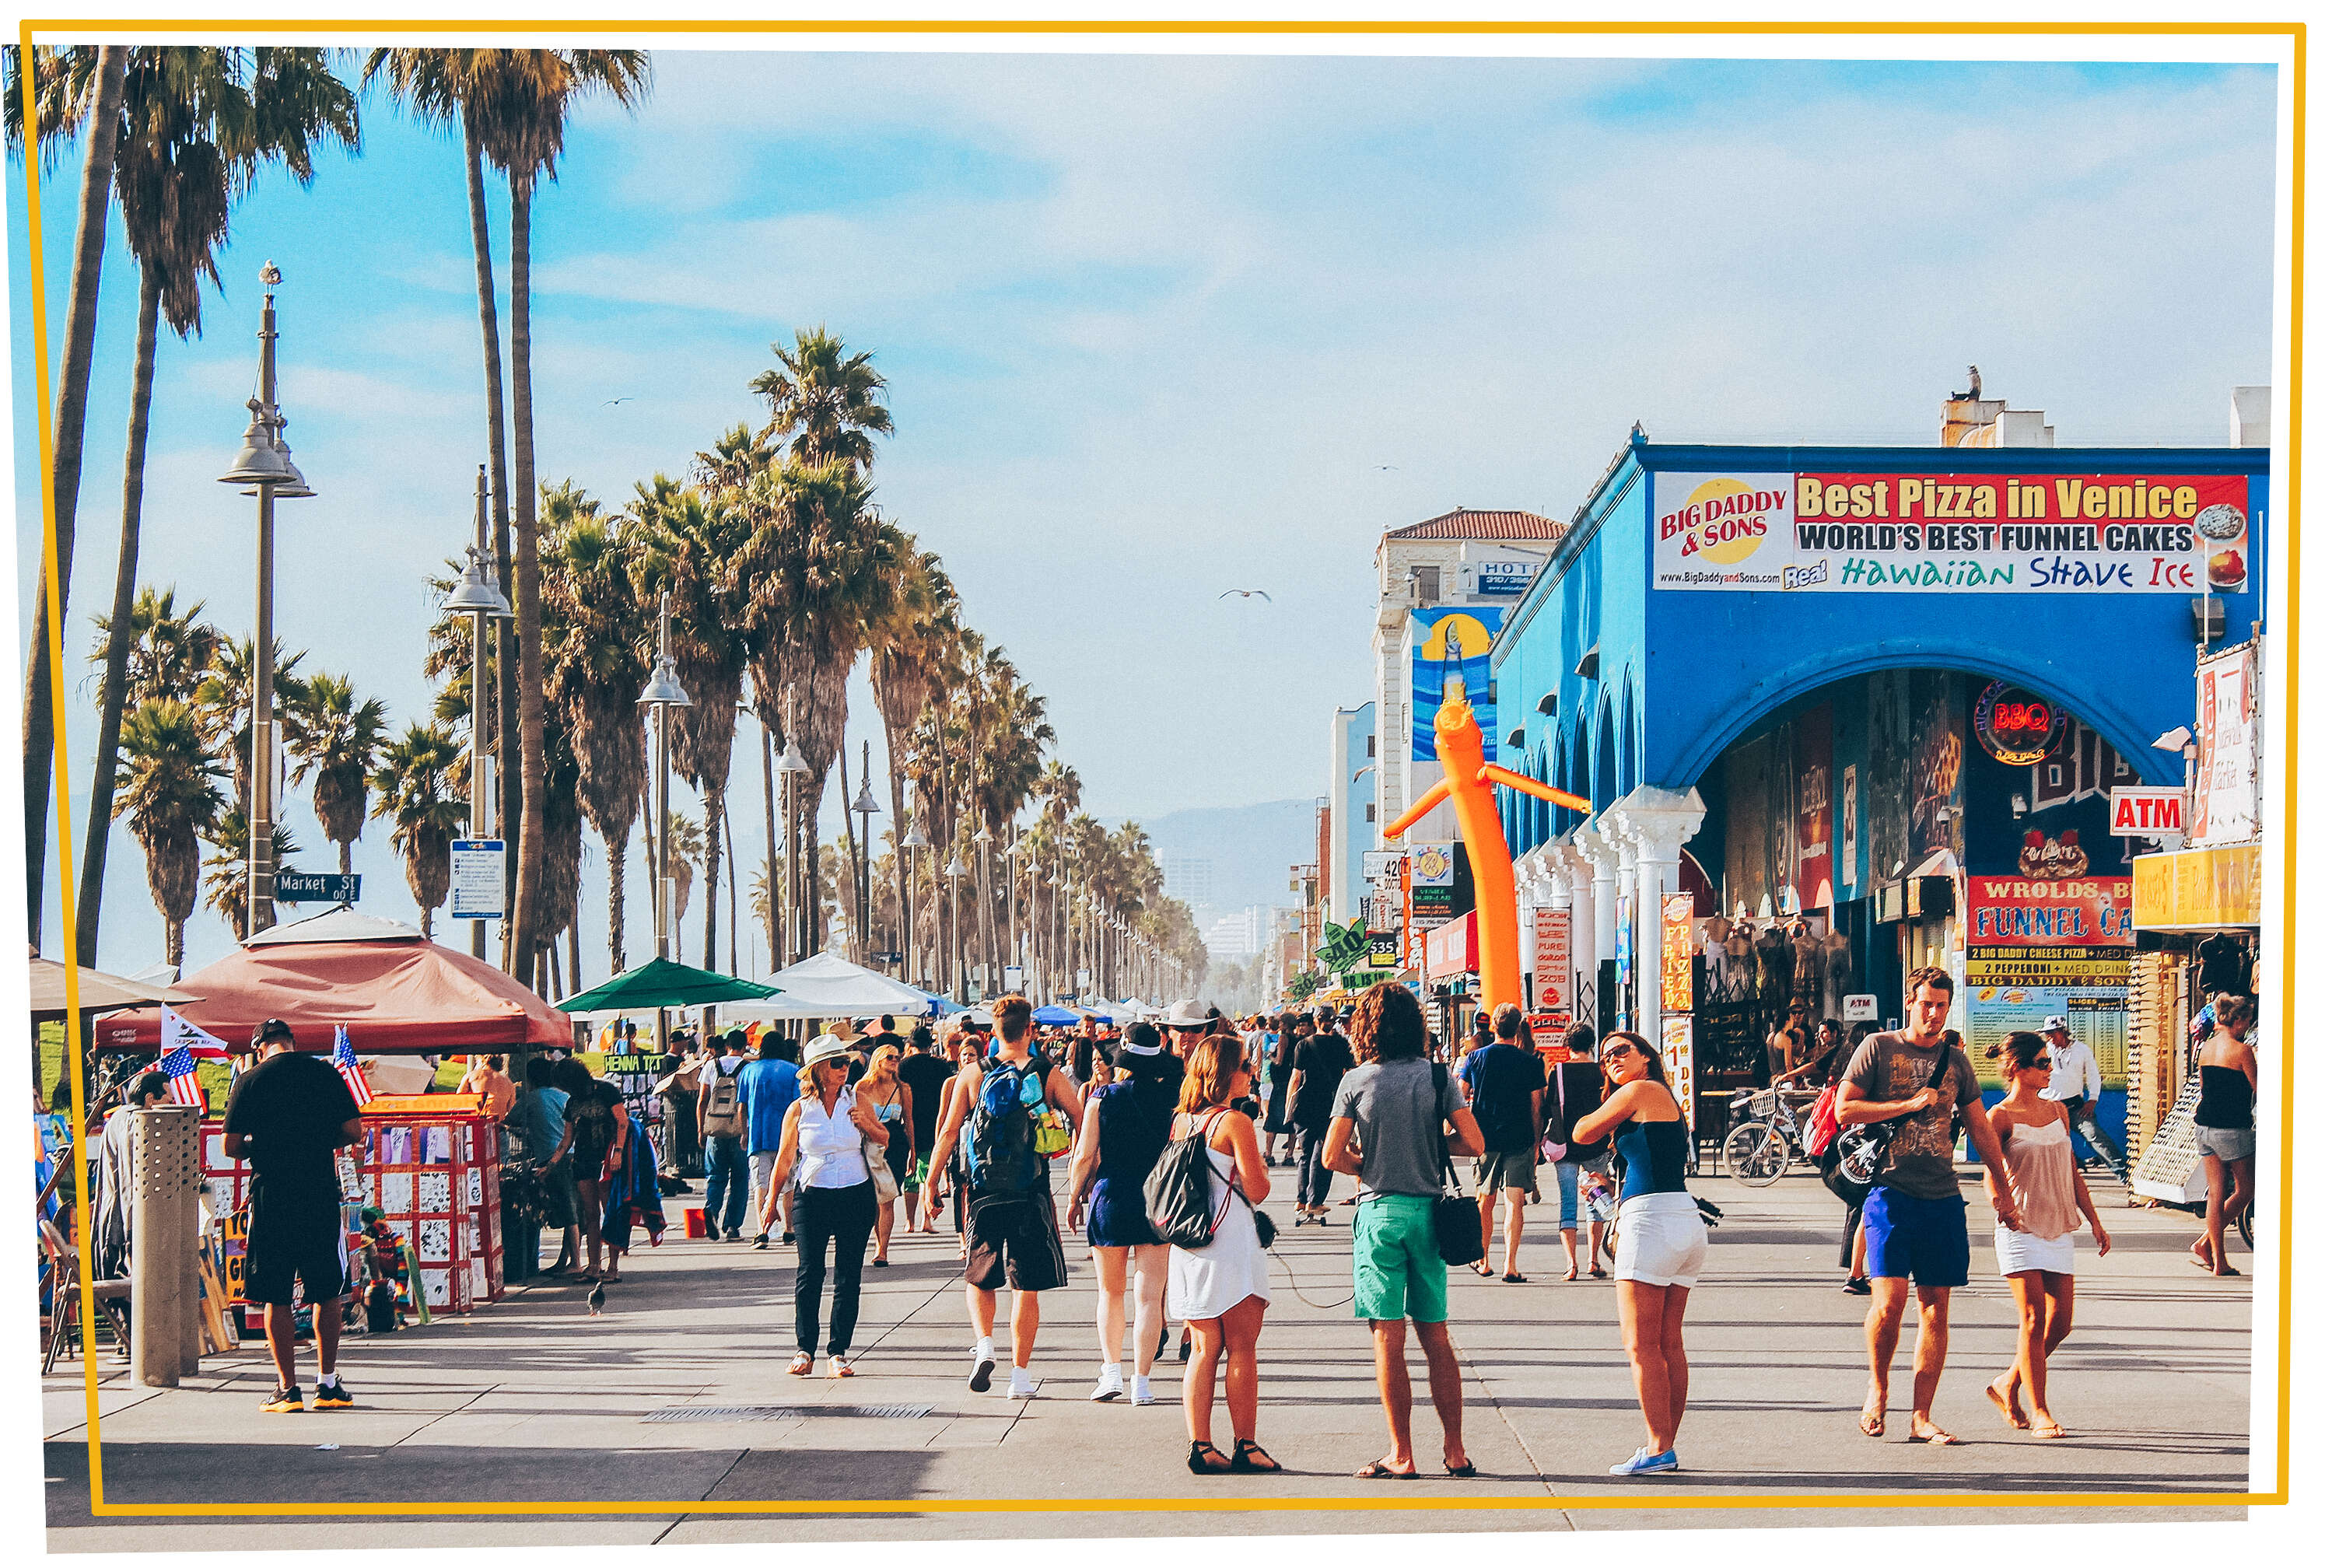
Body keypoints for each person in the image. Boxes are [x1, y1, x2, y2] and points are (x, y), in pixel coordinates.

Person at [1837, 968, 2022, 1444]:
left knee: (1936, 1308)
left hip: (1942, 1197)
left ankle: (1921, 1415)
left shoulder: (1956, 1062)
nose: (1935, 1014)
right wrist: (1905, 1105)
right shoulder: (1878, 1047)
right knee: (1889, 1303)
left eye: (1942, 1005)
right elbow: (1845, 1110)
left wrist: (2003, 1189)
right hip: (1889, 1193)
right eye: (1927, 1004)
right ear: (1911, 1002)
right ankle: (1878, 1389)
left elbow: (1980, 1128)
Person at [1324, 981, 1485, 1480]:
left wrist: (1370, 1164)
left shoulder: (1355, 1080)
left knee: (1387, 1338)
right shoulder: (1439, 1077)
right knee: (1435, 1335)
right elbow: (1473, 1142)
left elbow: (1331, 1156)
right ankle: (1455, 1450)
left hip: (1379, 1215)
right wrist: (1430, 1150)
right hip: (1429, 1214)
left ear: (1366, 1026)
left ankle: (1402, 1453)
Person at [923, 995, 1084, 1398]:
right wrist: (1082, 1177)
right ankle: (1020, 1377)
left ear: (992, 1032)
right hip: (1030, 1189)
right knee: (1025, 1285)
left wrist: (931, 1181)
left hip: (982, 1191)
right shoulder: (1048, 1073)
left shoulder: (974, 1074)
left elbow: (948, 1131)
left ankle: (984, 1345)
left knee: (979, 1276)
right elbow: (1083, 1121)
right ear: (1031, 1029)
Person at [1571, 1030, 1703, 1476]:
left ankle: (1658, 1447)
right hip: (1683, 1218)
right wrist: (1611, 1191)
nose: (1611, 1059)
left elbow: (1582, 1131)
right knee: (1669, 1341)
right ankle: (1665, 1442)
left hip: (1650, 1222)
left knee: (1640, 1345)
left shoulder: (1639, 1090)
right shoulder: (1661, 1097)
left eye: (1621, 1051)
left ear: (1646, 1056)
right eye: (1605, 1056)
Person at [222, 1018, 362, 1413]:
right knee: (327, 1290)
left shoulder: (249, 1081)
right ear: (292, 1042)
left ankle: (287, 1389)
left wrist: (265, 1144)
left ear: (259, 1047)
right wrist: (316, 1141)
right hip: (318, 1191)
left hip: (271, 1195)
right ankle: (328, 1383)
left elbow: (230, 1146)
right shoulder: (324, 1072)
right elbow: (354, 1130)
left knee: (275, 1294)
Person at [1983, 1030, 2112, 1440]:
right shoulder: (1998, 1117)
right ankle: (2040, 1410)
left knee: (2062, 1322)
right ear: (2018, 1069)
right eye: (2042, 1063)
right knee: (2034, 1318)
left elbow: (2071, 1169)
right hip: (2019, 1226)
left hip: (2057, 1223)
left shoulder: (2058, 1110)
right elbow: (1990, 1174)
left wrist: (2094, 1219)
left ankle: (2008, 1382)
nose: (2049, 1068)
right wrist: (2002, 1205)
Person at [1169, 1032, 1280, 1475]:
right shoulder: (1234, 1123)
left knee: (1202, 1349)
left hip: (1193, 1245)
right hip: (1232, 1242)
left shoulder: (1182, 1122)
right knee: (1242, 1349)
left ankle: (1200, 1444)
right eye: (1245, 1067)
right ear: (1226, 1072)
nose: (1250, 1073)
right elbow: (1258, 1188)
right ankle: (1246, 1445)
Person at [759, 1034, 886, 1377]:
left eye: (847, 1062)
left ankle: (838, 1351)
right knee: (809, 1271)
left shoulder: (857, 1098)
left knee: (848, 1275)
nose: (845, 1068)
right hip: (812, 1193)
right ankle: (804, 1349)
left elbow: (885, 1138)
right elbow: (785, 1158)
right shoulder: (799, 1109)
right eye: (837, 1063)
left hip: (854, 1191)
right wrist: (771, 1202)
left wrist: (866, 1124)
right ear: (817, 1070)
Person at [1066, 1021, 1177, 1405]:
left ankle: (1111, 1372)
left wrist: (1073, 1197)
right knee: (1150, 1297)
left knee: (1110, 1292)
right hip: (1157, 1201)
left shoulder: (1102, 1097)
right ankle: (1141, 1383)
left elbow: (1083, 1156)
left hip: (1112, 1195)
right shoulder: (1170, 1100)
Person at [1786, 1019, 1876, 1293]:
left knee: (1859, 1206)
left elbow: (1815, 1069)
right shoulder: (1860, 1067)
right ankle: (1856, 1271)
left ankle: (1854, 1268)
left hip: (1836, 1141)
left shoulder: (1840, 1058)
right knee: (1863, 1206)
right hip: (1850, 1141)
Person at [1458, 1003, 1546, 1282]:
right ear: (1518, 1027)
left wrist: (1462, 1132)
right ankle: (1510, 1264)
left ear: (1493, 1026)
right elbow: (1536, 1107)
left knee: (1485, 1200)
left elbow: (1460, 1097)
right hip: (1519, 1137)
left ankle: (1483, 1259)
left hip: (1484, 1139)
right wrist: (1536, 1141)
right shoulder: (1531, 1062)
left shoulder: (1475, 1058)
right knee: (1514, 1202)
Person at [2190, 993, 2257, 1277]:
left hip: (2204, 1126)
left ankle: (2215, 1257)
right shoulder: (2242, 1051)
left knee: (2216, 1193)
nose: (2249, 1026)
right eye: (2249, 1021)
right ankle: (2208, 1247)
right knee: (2246, 1189)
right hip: (2232, 1128)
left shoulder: (2205, 1048)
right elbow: (2258, 1088)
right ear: (2239, 1020)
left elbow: (2205, 1088)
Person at [544, 1065, 628, 1283]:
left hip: (607, 1159)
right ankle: (593, 1266)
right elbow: (567, 1138)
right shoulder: (572, 1102)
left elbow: (622, 1121)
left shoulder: (607, 1091)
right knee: (591, 1215)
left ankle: (613, 1267)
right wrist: (551, 1164)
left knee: (609, 1213)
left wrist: (618, 1151)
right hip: (583, 1160)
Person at [1544, 1023, 1611, 1280]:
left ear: (1567, 1046)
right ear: (1591, 1044)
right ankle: (1593, 1260)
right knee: (1596, 1201)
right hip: (1596, 1143)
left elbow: (1549, 1108)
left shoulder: (1558, 1072)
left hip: (1565, 1146)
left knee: (1568, 1203)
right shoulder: (1601, 1072)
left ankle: (1571, 1264)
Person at [92, 1071, 171, 1280]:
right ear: (149, 1099)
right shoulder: (135, 1125)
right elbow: (131, 1187)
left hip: (114, 1224)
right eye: (168, 1101)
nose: (172, 1106)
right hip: (123, 1234)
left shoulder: (119, 1117)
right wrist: (132, 1246)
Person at [2036, 1016, 2125, 1181]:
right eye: (2046, 1033)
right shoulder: (2043, 1050)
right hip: (2049, 1106)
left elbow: (2093, 1075)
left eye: (2052, 1033)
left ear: (2063, 1031)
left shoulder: (2081, 1050)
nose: (2048, 1037)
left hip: (2074, 1105)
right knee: (2048, 1142)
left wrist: (2093, 1099)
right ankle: (2072, 1165)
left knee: (2095, 1136)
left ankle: (2125, 1175)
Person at [1287, 1009, 1353, 1226]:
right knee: (1324, 1153)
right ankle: (1315, 1201)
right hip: (1330, 1106)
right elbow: (1349, 1075)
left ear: (1316, 1021)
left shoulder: (1303, 1045)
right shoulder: (1342, 1045)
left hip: (1305, 1106)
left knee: (1306, 1155)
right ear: (1332, 1022)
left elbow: (1295, 1078)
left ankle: (1301, 1199)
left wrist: (1289, 1107)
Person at [516, 1058, 579, 1275]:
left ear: (531, 1077)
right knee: (572, 1208)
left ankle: (576, 1263)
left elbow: (512, 1119)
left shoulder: (531, 1099)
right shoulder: (564, 1097)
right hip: (572, 1155)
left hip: (552, 1160)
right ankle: (565, 1260)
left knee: (568, 1212)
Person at [737, 1034, 800, 1250]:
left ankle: (762, 1231)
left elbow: (742, 1107)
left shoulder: (748, 1071)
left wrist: (744, 1132)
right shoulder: (793, 1071)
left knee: (760, 1184)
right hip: (787, 1137)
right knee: (789, 1183)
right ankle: (789, 1230)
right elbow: (798, 1106)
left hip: (758, 1135)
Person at [860, 1041, 915, 1265]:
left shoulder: (904, 1089)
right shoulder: (862, 1087)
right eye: (890, 1057)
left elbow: (909, 1122)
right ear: (878, 1059)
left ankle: (882, 1249)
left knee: (888, 1199)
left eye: (897, 1058)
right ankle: (874, 1239)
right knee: (870, 1199)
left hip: (896, 1145)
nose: (894, 1061)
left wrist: (913, 1151)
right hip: (868, 1142)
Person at [898, 1026, 953, 1234]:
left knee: (910, 1175)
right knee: (929, 1174)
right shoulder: (942, 1067)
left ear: (911, 1046)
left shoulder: (902, 1067)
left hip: (909, 1122)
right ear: (930, 1046)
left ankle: (909, 1221)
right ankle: (926, 1220)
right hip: (935, 1122)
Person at [698, 1031, 751, 1241]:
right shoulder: (747, 1068)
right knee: (740, 1179)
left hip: (715, 1129)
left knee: (715, 1176)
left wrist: (701, 1129)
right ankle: (732, 1227)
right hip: (739, 1130)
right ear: (744, 1046)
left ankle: (711, 1210)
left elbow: (702, 1099)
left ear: (726, 1045)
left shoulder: (711, 1065)